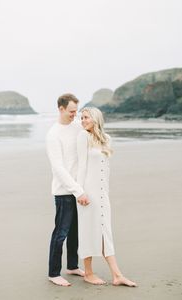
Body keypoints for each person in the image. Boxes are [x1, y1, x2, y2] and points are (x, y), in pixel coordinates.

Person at [76, 107, 137, 287]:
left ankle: (117, 275)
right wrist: (80, 192)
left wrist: (104, 193)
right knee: (88, 231)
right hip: (87, 194)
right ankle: (88, 272)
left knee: (105, 233)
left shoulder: (106, 139)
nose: (83, 121)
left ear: (96, 118)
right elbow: (81, 166)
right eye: (81, 118)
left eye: (86, 117)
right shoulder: (83, 137)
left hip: (102, 194)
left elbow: (105, 170)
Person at [46, 93, 90, 287]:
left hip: (78, 188)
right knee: (61, 232)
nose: (75, 115)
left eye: (76, 111)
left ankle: (72, 266)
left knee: (75, 232)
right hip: (64, 191)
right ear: (61, 108)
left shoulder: (77, 127)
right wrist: (77, 190)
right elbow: (59, 168)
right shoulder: (53, 134)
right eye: (71, 111)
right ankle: (54, 273)